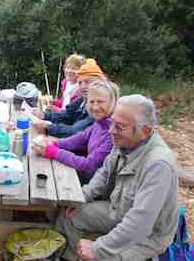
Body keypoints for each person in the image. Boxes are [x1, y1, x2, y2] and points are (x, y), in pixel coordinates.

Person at [57, 94, 178, 261]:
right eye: (112, 122)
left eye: (119, 126)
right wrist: (82, 198)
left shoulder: (158, 165)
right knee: (68, 217)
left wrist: (98, 248)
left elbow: (140, 223)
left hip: (148, 236)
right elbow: (104, 173)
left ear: (145, 131)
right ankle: (68, 257)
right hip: (119, 210)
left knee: (105, 257)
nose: (111, 130)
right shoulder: (125, 141)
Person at [33, 81, 119, 184]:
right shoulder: (99, 123)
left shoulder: (113, 132)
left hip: (95, 186)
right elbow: (77, 139)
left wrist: (55, 152)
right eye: (91, 102)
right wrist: (53, 144)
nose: (95, 107)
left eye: (100, 102)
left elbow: (89, 165)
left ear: (112, 103)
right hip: (86, 176)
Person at [33, 58, 107, 138]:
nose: (83, 86)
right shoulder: (83, 98)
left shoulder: (99, 107)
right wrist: (44, 115)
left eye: (87, 82)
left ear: (100, 82)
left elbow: (75, 131)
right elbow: (67, 114)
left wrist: (48, 128)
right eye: (80, 82)